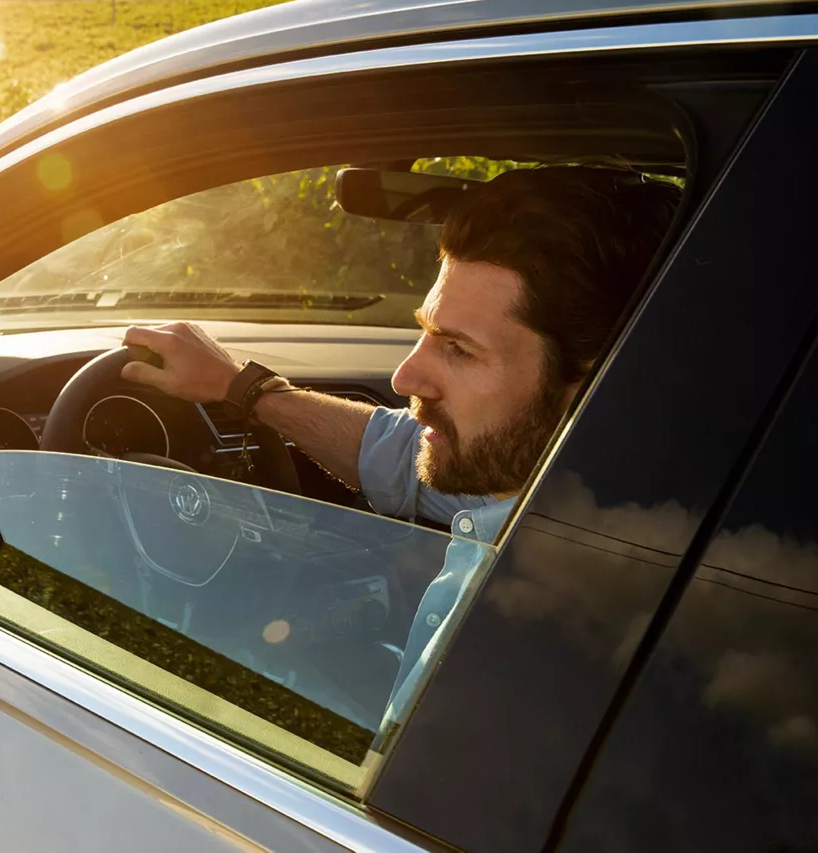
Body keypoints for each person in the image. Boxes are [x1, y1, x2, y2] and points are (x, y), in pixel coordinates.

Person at [119, 166, 681, 722]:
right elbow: (399, 455)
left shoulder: (565, 639)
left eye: (458, 349)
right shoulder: (563, 482)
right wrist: (246, 390)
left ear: (593, 386)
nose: (405, 376)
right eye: (427, 332)